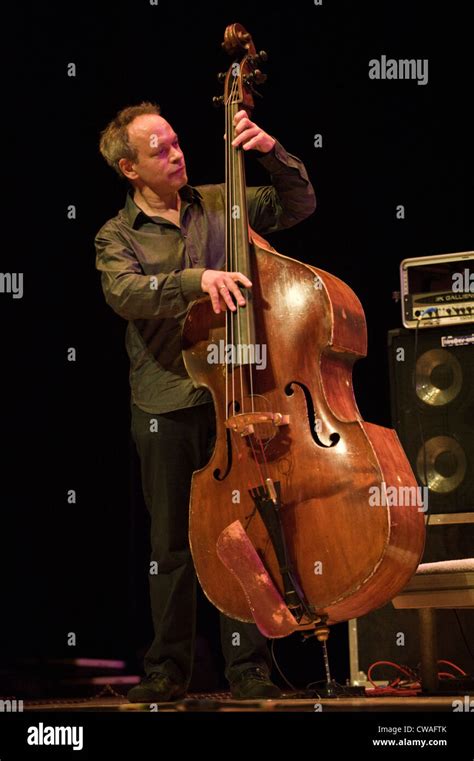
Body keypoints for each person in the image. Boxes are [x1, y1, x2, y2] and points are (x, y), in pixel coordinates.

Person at [95, 102, 316, 702]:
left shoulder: (223, 201)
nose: (177, 152)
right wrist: (198, 281)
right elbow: (126, 294)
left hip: (235, 391)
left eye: (175, 141)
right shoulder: (116, 237)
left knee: (242, 530)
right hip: (165, 400)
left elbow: (299, 206)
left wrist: (271, 151)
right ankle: (168, 668)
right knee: (171, 543)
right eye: (159, 149)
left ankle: (249, 666)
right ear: (129, 168)